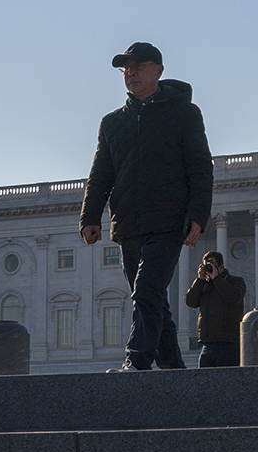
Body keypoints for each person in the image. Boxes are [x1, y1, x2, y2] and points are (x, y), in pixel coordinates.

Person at [80, 43, 211, 372]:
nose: (131, 73)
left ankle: (135, 361)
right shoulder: (112, 123)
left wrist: (197, 215)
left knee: (146, 291)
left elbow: (200, 167)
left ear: (159, 71)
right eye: (126, 69)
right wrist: (90, 216)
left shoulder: (184, 114)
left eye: (138, 66)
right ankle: (173, 371)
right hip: (127, 225)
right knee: (154, 301)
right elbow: (101, 174)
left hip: (169, 222)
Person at [183, 249, 246, 367]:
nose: (209, 269)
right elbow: (190, 302)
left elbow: (234, 297)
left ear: (221, 266)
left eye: (212, 266)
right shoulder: (204, 285)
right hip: (207, 344)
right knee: (204, 380)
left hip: (228, 344)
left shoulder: (235, 281)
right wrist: (200, 280)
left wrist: (217, 279)